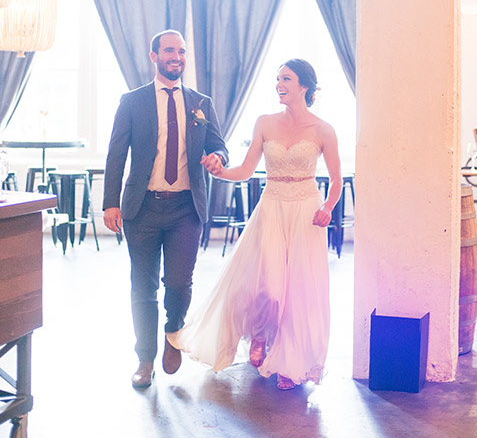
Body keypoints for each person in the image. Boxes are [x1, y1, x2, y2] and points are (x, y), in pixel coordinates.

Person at [168, 59, 341, 390]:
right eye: (277, 79)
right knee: (270, 288)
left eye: (286, 79)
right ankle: (259, 334)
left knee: (299, 292)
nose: (279, 84)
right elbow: (246, 170)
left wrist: (328, 207)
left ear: (304, 86)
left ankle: (291, 363)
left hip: (306, 212)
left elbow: (336, 180)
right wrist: (219, 171)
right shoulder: (264, 123)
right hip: (272, 208)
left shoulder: (323, 130)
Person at [103, 29, 229, 389]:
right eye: (170, 50)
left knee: (178, 282)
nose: (178, 56)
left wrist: (217, 157)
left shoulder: (200, 102)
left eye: (183, 51)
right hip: (141, 208)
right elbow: (116, 153)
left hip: (185, 210)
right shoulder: (132, 101)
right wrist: (111, 201)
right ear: (154, 55)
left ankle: (174, 331)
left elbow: (220, 145)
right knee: (142, 287)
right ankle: (145, 359)